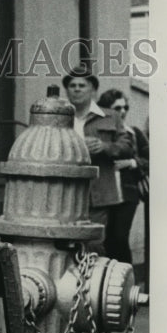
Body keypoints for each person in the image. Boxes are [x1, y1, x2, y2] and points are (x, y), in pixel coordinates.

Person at [62, 66, 134, 261]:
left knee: (94, 243)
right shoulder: (60, 116)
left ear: (92, 90)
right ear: (66, 90)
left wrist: (105, 147)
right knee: (63, 241)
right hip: (65, 191)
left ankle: (90, 288)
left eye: (82, 85)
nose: (77, 89)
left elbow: (127, 146)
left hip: (98, 192)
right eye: (72, 85)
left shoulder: (111, 116)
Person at [97, 88, 150, 275]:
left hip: (127, 193)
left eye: (125, 107)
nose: (123, 111)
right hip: (103, 193)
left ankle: (126, 281)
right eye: (117, 107)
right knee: (104, 240)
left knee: (119, 238)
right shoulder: (99, 130)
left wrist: (133, 162)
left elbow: (151, 158)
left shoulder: (133, 133)